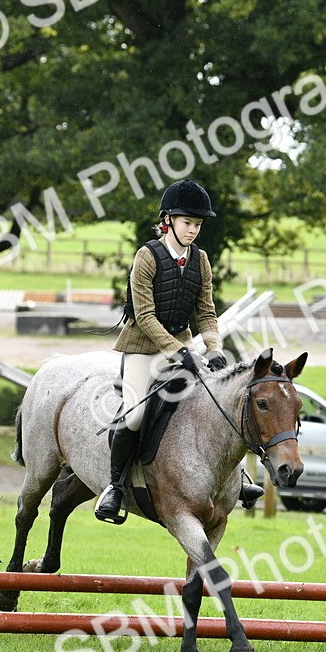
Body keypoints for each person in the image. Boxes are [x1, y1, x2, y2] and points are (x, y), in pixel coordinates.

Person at [95, 179, 263, 522]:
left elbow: (206, 312)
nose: (193, 230)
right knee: (135, 415)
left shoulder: (201, 260)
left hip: (182, 345)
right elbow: (145, 316)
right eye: (187, 222)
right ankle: (115, 486)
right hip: (142, 348)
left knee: (215, 400)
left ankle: (236, 480)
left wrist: (214, 348)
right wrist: (179, 351)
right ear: (167, 220)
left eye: (198, 224)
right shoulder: (146, 256)